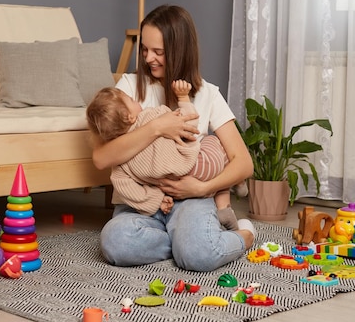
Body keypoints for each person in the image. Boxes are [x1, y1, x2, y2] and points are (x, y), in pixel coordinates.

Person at [92, 4, 255, 272]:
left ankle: (243, 235)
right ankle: (185, 243)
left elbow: (243, 163)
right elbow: (101, 158)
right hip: (141, 203)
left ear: (180, 50)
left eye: (158, 52)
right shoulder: (128, 88)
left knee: (200, 256)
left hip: (189, 200)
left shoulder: (208, 94)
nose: (148, 58)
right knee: (115, 242)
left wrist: (202, 188)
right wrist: (158, 127)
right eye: (144, 49)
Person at [86, 79, 246, 230]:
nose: (136, 101)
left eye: (158, 52)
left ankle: (223, 205)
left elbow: (128, 190)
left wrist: (157, 200)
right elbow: (190, 123)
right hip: (200, 165)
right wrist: (183, 98)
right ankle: (229, 195)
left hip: (178, 187)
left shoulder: (119, 164)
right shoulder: (151, 115)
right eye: (132, 100)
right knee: (213, 142)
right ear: (130, 116)